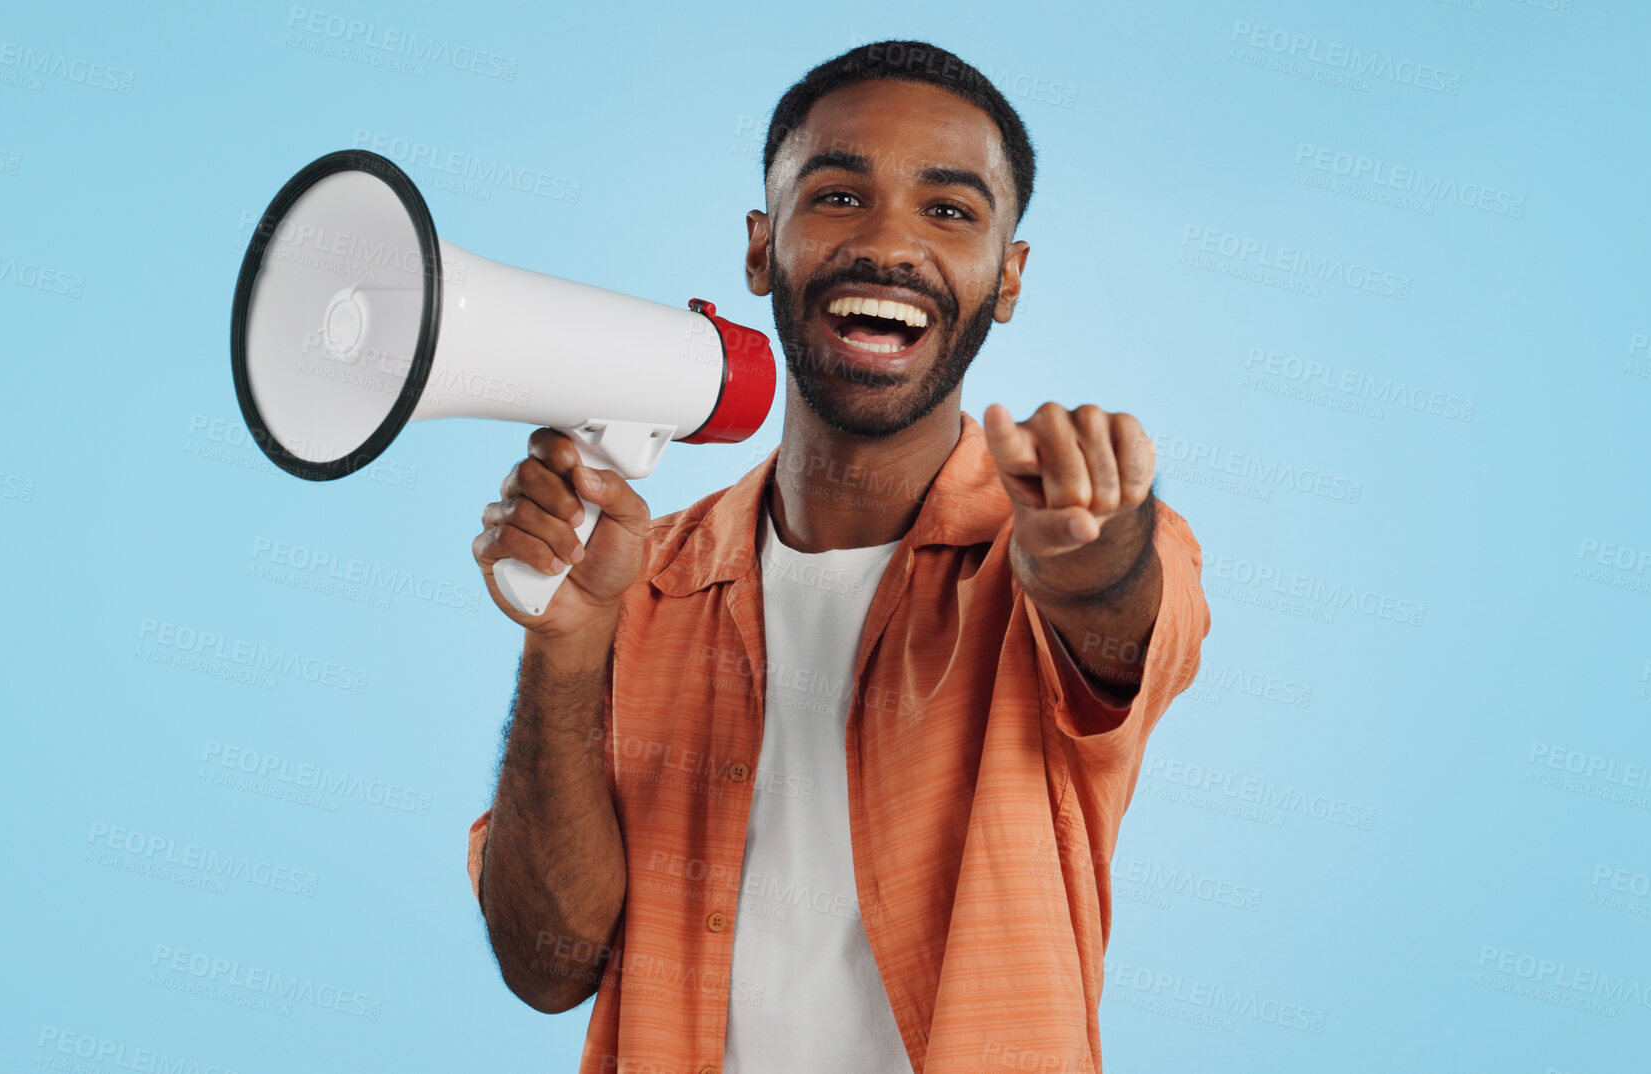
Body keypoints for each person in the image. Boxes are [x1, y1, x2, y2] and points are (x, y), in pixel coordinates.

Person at [465, 39, 1210, 1074]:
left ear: (1008, 277)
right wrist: (567, 643)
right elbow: (546, 967)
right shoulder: (640, 582)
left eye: (948, 211)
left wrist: (1088, 542)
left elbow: (1110, 603)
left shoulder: (1041, 548)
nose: (889, 246)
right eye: (836, 197)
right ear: (761, 250)